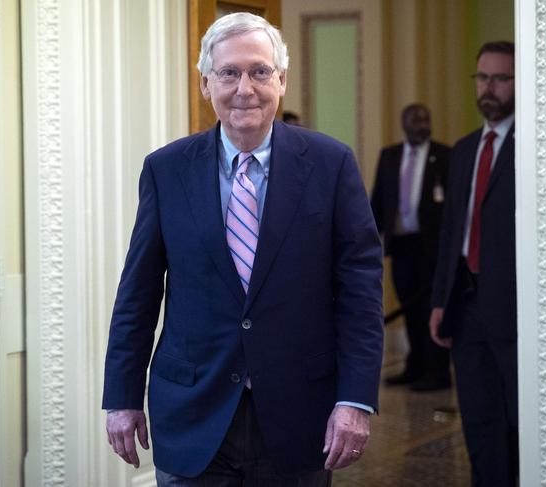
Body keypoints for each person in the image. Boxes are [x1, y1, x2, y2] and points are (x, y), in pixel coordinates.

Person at [102, 11, 384, 486]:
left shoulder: (331, 165)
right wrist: (122, 396)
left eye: (259, 71)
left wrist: (354, 400)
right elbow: (138, 293)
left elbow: (360, 294)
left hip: (300, 417)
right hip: (193, 414)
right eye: (229, 73)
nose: (244, 88)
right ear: (205, 84)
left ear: (283, 80)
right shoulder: (166, 170)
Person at [429, 41, 516, 486]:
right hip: (466, 306)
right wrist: (440, 300)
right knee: (479, 420)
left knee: (519, 421)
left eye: (501, 78)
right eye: (483, 78)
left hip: (519, 311)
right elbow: (451, 234)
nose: (490, 88)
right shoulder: (463, 150)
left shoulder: (537, 151)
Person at [371, 104, 452, 391]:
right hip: (402, 246)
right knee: (408, 307)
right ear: (404, 124)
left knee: (433, 307)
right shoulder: (390, 156)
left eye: (426, 119)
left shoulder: (444, 155)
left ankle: (438, 371)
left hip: (433, 247)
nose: (422, 124)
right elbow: (378, 202)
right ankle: (414, 366)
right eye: (416, 120)